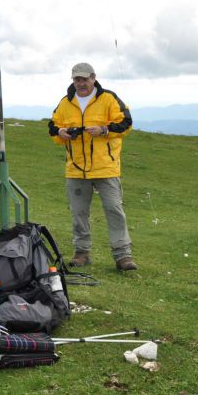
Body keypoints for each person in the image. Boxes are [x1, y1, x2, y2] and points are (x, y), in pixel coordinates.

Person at [48, 62, 137, 271]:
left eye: (84, 79)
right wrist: (61, 132)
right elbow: (52, 126)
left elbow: (126, 122)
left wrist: (105, 129)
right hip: (76, 169)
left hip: (106, 168)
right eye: (77, 79)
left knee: (114, 209)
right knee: (78, 212)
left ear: (93, 78)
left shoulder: (109, 98)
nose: (81, 83)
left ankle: (123, 256)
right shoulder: (65, 103)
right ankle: (81, 253)